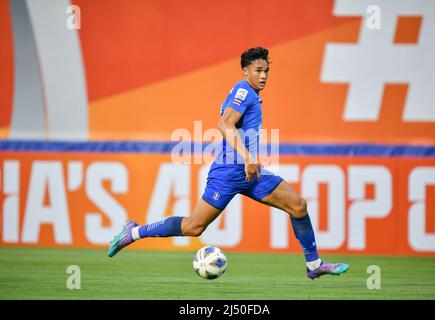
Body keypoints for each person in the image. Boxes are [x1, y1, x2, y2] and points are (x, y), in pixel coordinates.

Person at [108, 47, 349, 279]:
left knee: (298, 206)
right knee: (194, 227)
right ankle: (135, 232)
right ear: (245, 71)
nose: (263, 75)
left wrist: (250, 162)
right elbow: (224, 125)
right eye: (258, 70)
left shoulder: (250, 93)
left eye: (266, 71)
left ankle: (314, 265)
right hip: (229, 171)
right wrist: (248, 157)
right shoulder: (243, 91)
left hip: (251, 172)